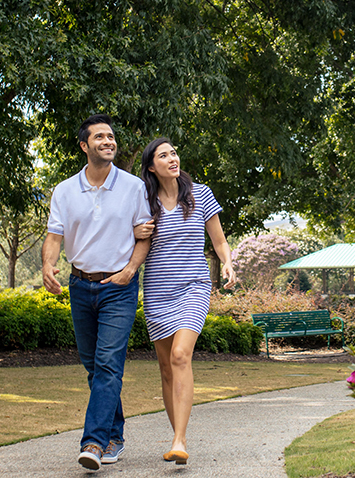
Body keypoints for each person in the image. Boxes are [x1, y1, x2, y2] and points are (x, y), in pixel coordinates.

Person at [42, 114, 153, 471]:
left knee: (107, 363)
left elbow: (143, 235)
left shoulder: (133, 187)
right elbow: (54, 236)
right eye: (100, 137)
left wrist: (129, 271)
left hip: (118, 287)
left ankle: (93, 442)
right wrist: (47, 265)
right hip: (79, 285)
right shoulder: (64, 190)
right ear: (84, 145)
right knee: (94, 367)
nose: (108, 141)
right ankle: (115, 435)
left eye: (111, 136)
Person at [137, 137, 236, 465]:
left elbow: (219, 239)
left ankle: (180, 440)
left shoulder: (201, 194)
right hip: (156, 292)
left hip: (193, 287)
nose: (172, 158)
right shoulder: (144, 201)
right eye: (163, 155)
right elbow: (134, 242)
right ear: (152, 166)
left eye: (174, 152)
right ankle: (176, 435)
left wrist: (228, 262)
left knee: (181, 356)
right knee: (166, 369)